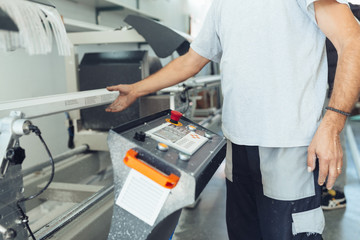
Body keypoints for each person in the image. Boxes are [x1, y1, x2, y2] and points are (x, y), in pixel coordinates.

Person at [106, 0, 360, 239]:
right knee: (243, 232)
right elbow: (192, 61)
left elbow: (353, 40)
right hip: (237, 146)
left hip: (290, 146)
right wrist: (137, 89)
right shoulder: (223, 4)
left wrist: (332, 124)